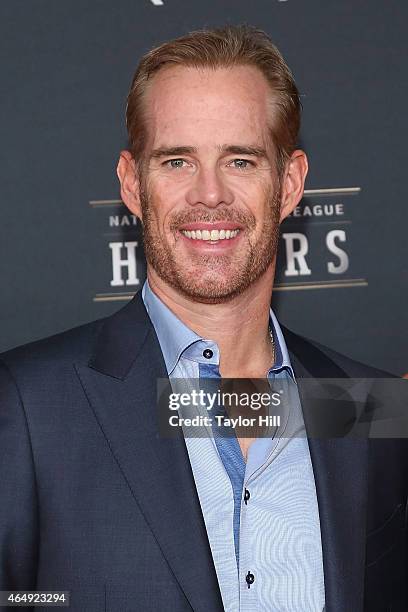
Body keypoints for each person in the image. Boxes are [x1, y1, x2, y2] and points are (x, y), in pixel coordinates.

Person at [0, 25, 407, 612]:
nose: (208, 194)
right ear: (133, 185)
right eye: (176, 161)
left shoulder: (366, 408)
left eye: (240, 160)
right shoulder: (28, 407)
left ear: (289, 184)